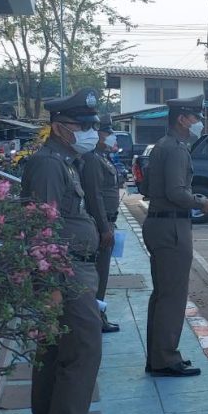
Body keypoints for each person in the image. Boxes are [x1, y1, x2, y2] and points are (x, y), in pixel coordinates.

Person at [22, 89, 108, 414]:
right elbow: (41, 226)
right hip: (65, 274)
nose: (90, 131)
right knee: (81, 352)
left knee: (59, 356)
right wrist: (53, 284)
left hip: (74, 271)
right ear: (59, 127)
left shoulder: (67, 162)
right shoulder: (48, 164)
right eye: (83, 125)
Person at [142, 95, 208, 377]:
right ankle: (165, 358)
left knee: (163, 294)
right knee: (172, 296)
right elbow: (176, 192)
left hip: (163, 224)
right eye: (196, 118)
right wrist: (201, 202)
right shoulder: (175, 149)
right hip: (172, 227)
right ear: (183, 119)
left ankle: (159, 355)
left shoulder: (164, 145)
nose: (199, 124)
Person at [79, 111, 121, 333]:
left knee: (102, 273)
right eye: (107, 132)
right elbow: (94, 196)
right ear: (97, 134)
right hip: (100, 225)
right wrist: (104, 228)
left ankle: (99, 315)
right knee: (98, 274)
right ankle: (96, 317)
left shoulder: (101, 157)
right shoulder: (92, 159)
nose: (112, 136)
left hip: (108, 221)